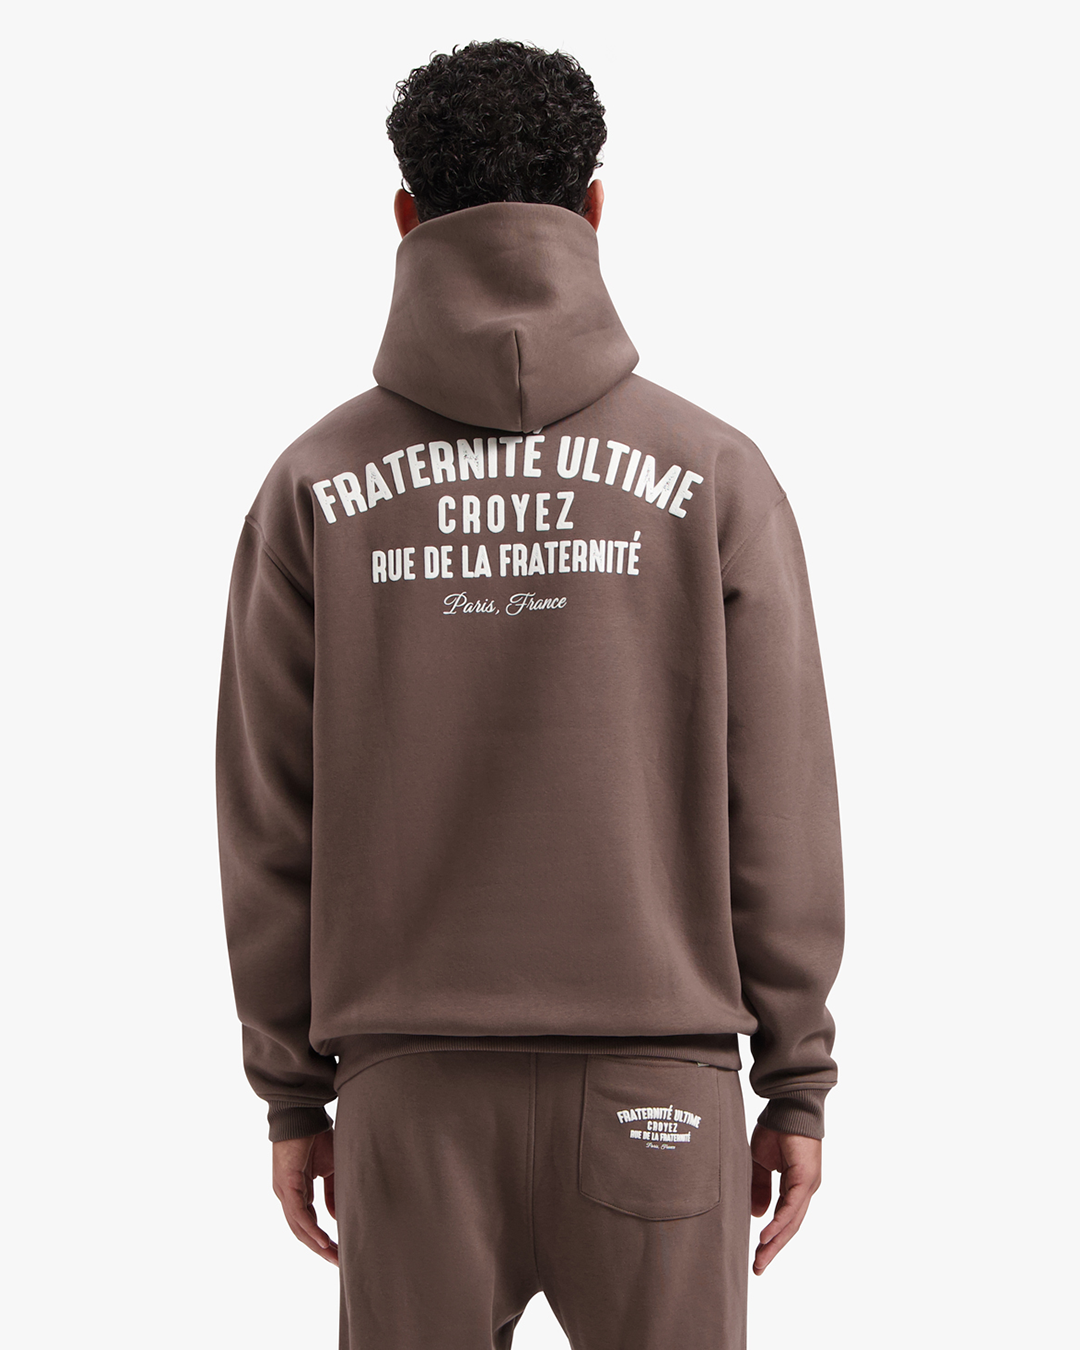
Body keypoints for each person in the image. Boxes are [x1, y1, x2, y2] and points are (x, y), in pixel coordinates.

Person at [216, 37, 844, 1350]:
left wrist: (292, 1094)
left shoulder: (314, 486)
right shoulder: (714, 475)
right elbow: (779, 795)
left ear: (405, 216)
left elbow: (269, 819)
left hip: (408, 1095)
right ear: (595, 207)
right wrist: (795, 1078)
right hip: (661, 1085)